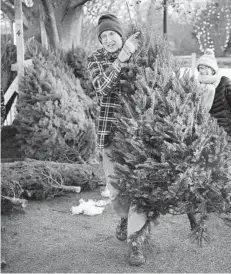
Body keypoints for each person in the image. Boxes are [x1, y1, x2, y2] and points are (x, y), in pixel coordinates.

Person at [86, 14, 147, 266]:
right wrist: (122, 58)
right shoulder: (96, 59)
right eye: (104, 36)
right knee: (115, 188)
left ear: (121, 35)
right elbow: (102, 87)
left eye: (112, 34)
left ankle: (136, 241)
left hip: (138, 136)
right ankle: (123, 216)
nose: (109, 39)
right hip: (110, 134)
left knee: (141, 188)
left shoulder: (140, 57)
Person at [196, 49, 231, 140]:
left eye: (206, 68)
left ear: (213, 70)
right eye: (200, 68)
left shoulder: (224, 82)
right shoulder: (197, 85)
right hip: (205, 132)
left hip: (225, 132)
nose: (202, 71)